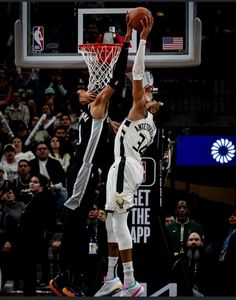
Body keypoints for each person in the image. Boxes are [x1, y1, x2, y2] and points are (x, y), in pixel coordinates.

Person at [49, 14, 132, 297]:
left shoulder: (95, 115)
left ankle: (74, 280)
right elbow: (117, 80)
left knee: (81, 223)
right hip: (82, 169)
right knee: (74, 223)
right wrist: (126, 44)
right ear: (83, 99)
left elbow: (113, 126)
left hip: (86, 168)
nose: (87, 89)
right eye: (83, 90)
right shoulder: (96, 107)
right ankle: (61, 279)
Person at [95, 14, 164, 297]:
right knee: (112, 221)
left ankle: (131, 282)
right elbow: (124, 131)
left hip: (125, 166)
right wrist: (115, 125)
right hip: (124, 164)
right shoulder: (147, 123)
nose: (150, 93)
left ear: (151, 105)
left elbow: (136, 73)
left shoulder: (141, 109)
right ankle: (111, 278)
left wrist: (142, 39)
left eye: (153, 96)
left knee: (120, 222)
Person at [19, 173, 57, 296]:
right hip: (30, 236)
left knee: (35, 262)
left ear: (42, 186)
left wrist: (45, 232)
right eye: (31, 181)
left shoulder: (44, 197)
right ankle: (31, 288)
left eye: (35, 182)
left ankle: (38, 284)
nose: (31, 183)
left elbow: (45, 218)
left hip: (36, 235)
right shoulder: (36, 198)